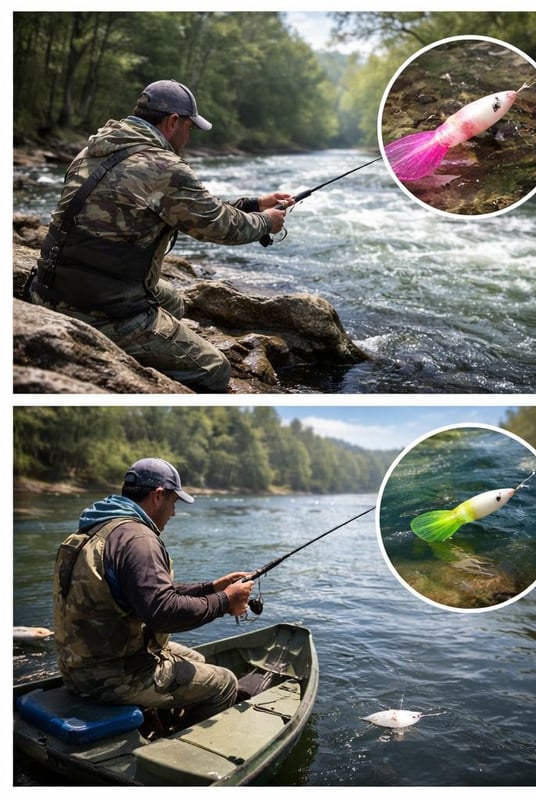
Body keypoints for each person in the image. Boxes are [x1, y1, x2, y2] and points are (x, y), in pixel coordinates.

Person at [25, 79, 294, 392]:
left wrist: (255, 204)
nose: (189, 136)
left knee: (173, 300)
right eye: (190, 128)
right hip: (100, 309)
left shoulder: (93, 149)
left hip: (47, 287)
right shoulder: (163, 166)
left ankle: (149, 343)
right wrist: (265, 222)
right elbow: (221, 226)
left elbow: (189, 206)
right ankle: (123, 346)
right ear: (173, 122)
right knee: (216, 370)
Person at [52, 458, 255, 729]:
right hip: (111, 677)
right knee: (224, 682)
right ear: (158, 496)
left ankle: (156, 719)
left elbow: (147, 593)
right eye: (173, 502)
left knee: (197, 660)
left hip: (78, 667)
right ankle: (184, 757)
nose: (173, 512)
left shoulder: (99, 529)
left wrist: (211, 588)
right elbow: (163, 613)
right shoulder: (139, 540)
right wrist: (226, 600)